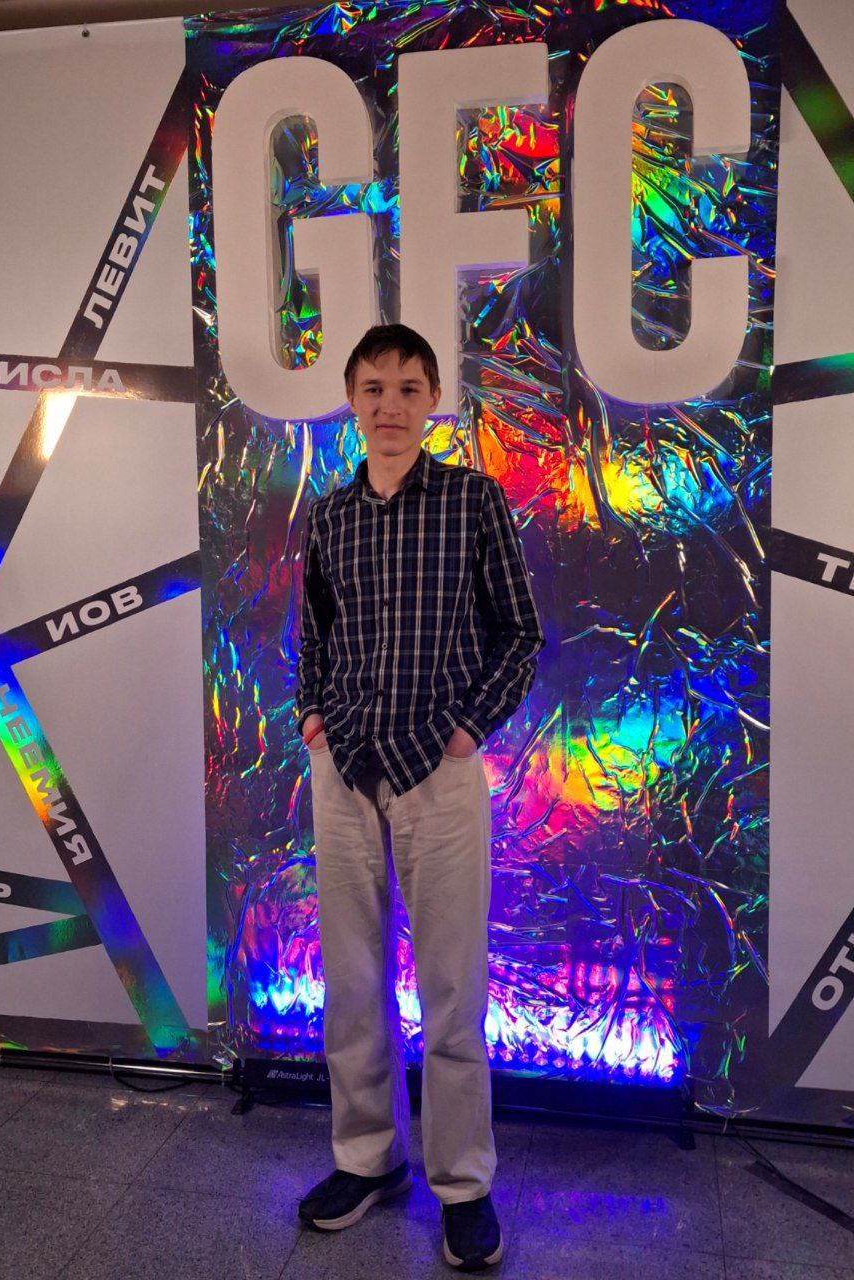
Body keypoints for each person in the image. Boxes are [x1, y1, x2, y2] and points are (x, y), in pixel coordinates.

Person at [293, 323, 544, 1271]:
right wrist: (312, 714)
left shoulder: (473, 501)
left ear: (433, 399)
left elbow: (519, 633)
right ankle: (366, 1159)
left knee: (450, 986)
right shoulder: (330, 516)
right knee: (351, 982)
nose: (389, 406)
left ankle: (462, 1184)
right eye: (372, 389)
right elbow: (314, 634)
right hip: (345, 772)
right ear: (351, 403)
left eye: (406, 388)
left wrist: (468, 729)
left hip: (437, 775)